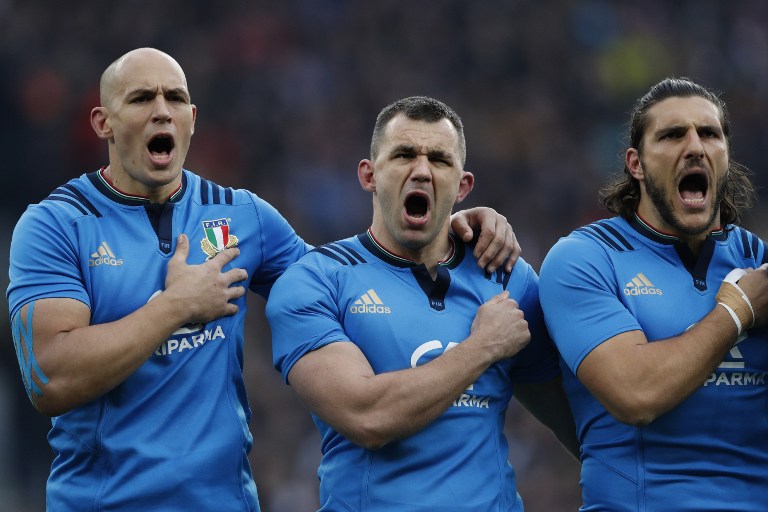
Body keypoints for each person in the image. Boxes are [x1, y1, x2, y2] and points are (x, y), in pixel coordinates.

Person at [6, 48, 520, 511]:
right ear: (104, 123)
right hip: (105, 504)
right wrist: (174, 307)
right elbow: (50, 379)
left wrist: (449, 230)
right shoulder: (55, 225)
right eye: (141, 98)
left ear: (191, 119)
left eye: (175, 98)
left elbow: (350, 285)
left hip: (226, 502)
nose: (161, 109)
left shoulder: (241, 215)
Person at [266, 96, 579, 511]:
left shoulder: (508, 277)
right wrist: (481, 347)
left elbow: (576, 423)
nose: (421, 171)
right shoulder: (315, 281)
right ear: (369, 174)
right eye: (403, 155)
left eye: (439, 160)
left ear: (463, 185)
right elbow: (367, 418)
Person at [538, 77, 768, 511]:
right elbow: (637, 395)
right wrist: (737, 311)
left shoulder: (758, 261)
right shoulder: (585, 260)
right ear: (636, 163)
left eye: (710, 134)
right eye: (672, 135)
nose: (695, 146)